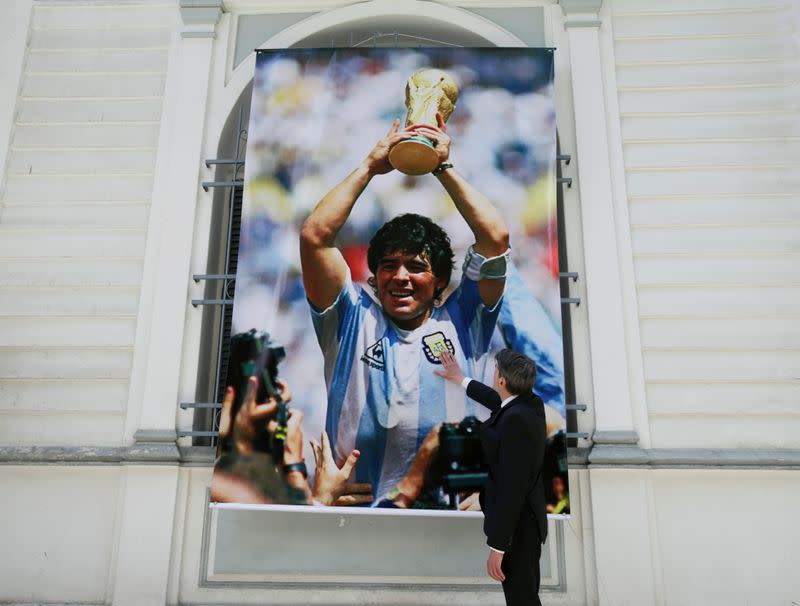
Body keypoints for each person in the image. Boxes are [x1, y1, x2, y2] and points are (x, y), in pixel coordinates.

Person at [299, 114, 510, 501]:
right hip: (355, 517)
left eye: (416, 267)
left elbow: (495, 238)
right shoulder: (350, 319)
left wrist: (442, 167)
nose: (401, 277)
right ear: (374, 277)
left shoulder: (465, 320)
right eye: (388, 266)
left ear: (441, 282)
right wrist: (368, 168)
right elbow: (316, 236)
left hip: (445, 521)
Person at [435, 349, 547, 606]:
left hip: (519, 527)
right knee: (524, 595)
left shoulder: (516, 421)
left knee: (522, 599)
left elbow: (512, 490)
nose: (493, 373)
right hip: (526, 520)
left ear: (502, 381)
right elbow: (496, 401)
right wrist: (460, 379)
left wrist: (498, 548)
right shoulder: (529, 404)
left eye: (495, 370)